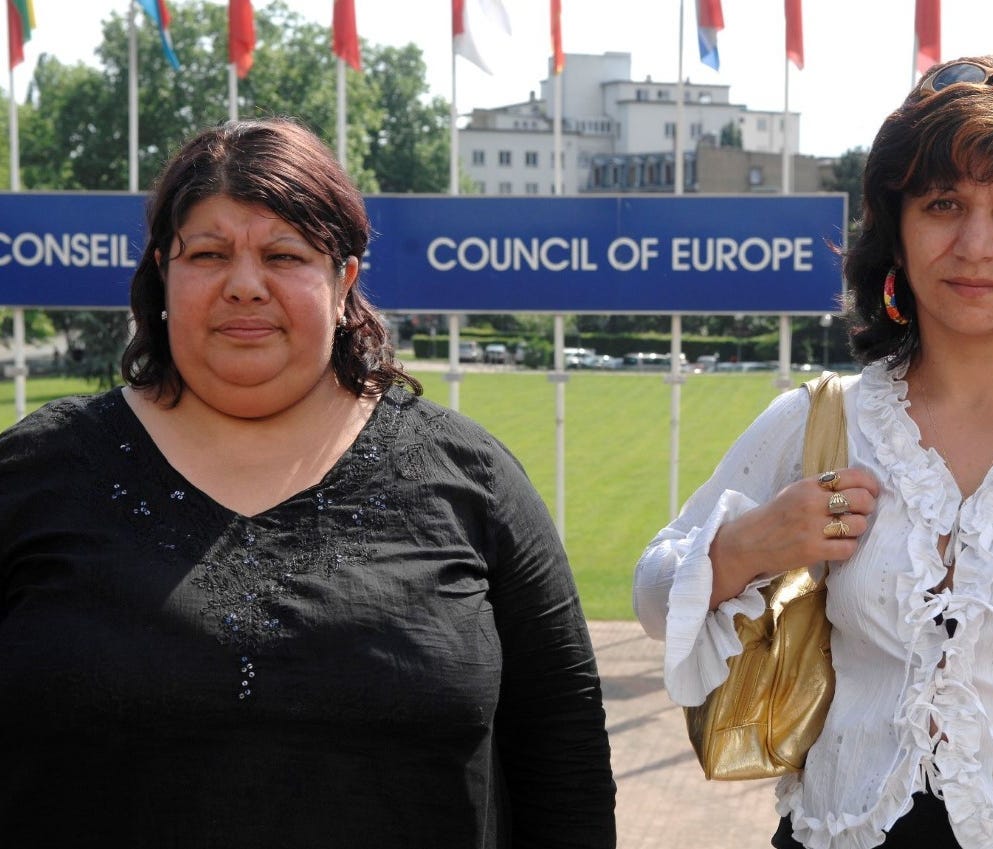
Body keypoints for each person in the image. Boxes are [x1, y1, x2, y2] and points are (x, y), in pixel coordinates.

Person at [0, 117, 616, 848]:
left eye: (284, 253)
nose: (244, 285)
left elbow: (564, 765)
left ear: (343, 278)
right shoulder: (35, 473)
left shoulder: (470, 478)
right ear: (165, 270)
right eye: (209, 253)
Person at [634, 56, 993, 849]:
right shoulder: (820, 418)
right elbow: (654, 595)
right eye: (942, 204)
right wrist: (747, 545)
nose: (975, 243)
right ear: (895, 234)